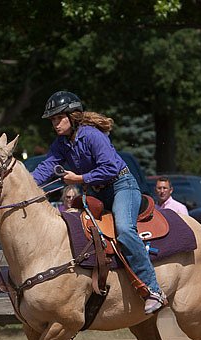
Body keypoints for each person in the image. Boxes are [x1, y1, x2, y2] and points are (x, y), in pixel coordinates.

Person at [31, 91, 166, 314]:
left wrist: (79, 179)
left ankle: (153, 290)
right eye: (53, 120)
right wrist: (25, 185)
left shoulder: (92, 136)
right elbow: (46, 168)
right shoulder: (61, 144)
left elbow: (111, 168)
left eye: (58, 118)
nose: (55, 124)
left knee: (124, 230)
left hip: (122, 186)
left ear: (72, 116)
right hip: (98, 192)